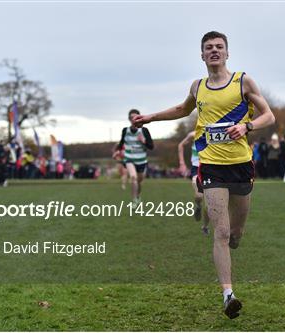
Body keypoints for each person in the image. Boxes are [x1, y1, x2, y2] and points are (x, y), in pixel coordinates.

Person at [132, 31, 275, 319]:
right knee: (220, 232)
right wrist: (150, 118)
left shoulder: (242, 81)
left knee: (235, 234)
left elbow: (268, 116)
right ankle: (228, 295)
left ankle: (236, 239)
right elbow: (181, 109)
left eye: (219, 47)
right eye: (208, 48)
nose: (214, 51)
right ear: (201, 55)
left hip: (241, 164)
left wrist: (247, 127)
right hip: (210, 165)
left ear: (227, 53)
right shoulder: (198, 87)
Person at [117, 109, 154, 208]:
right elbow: (121, 143)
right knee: (133, 177)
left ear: (139, 118)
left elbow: (151, 146)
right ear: (129, 119)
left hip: (141, 160)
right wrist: (117, 151)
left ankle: (137, 196)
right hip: (129, 159)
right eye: (131, 117)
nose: (133, 119)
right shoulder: (125, 130)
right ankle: (134, 201)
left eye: (135, 117)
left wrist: (144, 140)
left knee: (139, 181)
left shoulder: (144, 130)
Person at [178, 130, 210, 234]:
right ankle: (198, 206)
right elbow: (181, 145)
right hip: (196, 168)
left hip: (212, 168)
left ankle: (205, 226)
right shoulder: (193, 134)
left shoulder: (218, 132)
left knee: (209, 204)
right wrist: (182, 163)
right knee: (199, 196)